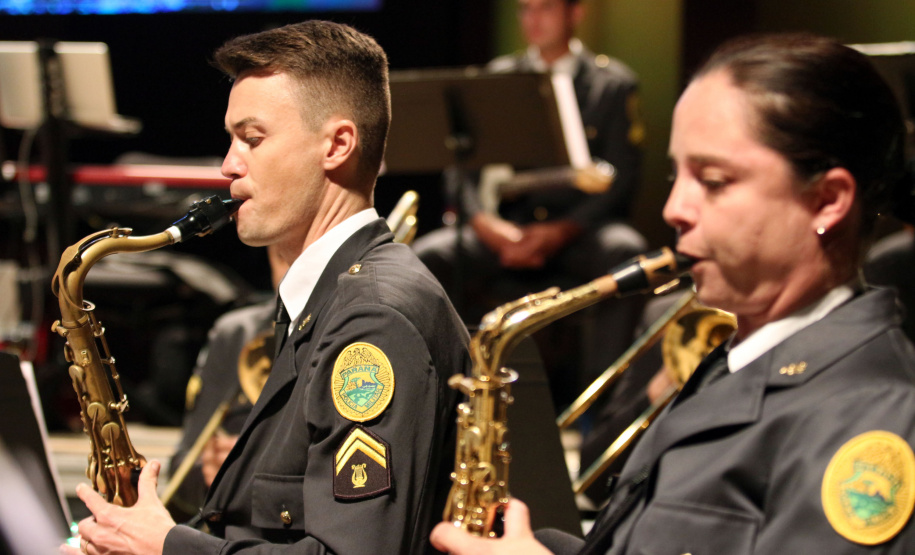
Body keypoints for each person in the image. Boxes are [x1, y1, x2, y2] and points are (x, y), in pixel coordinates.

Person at [431, 33, 915, 554]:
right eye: (675, 174)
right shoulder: (733, 359)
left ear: (827, 200)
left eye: (713, 180)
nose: (673, 209)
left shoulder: (875, 421)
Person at [63, 20, 471, 555]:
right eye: (231, 140)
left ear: (337, 145)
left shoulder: (374, 319)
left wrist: (168, 547)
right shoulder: (330, 300)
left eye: (252, 139)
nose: (228, 165)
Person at [413, 0, 647, 399]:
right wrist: (486, 226)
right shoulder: (498, 78)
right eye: (526, 9)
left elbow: (623, 176)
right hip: (506, 231)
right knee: (428, 256)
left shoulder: (612, 83)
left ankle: (604, 402)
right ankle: (440, 390)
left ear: (575, 13)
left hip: (576, 232)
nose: (533, 20)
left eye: (546, 9)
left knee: (626, 251)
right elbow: (461, 170)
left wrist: (561, 231)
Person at [164, 244, 287, 523]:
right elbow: (182, 470)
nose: (290, 267)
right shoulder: (237, 333)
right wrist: (209, 472)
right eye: (280, 254)